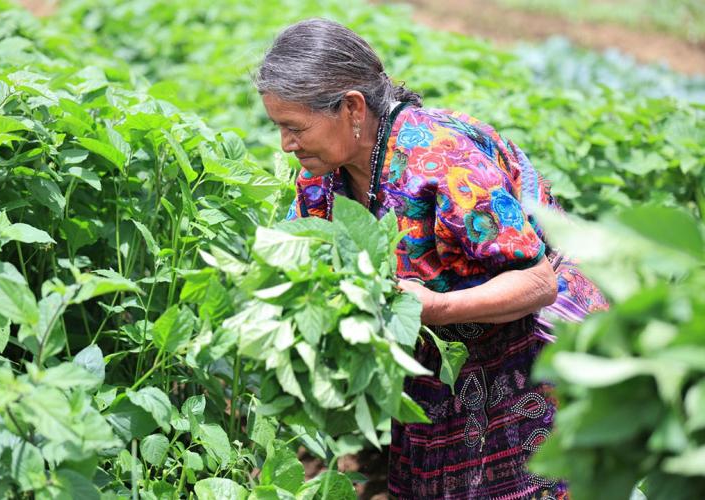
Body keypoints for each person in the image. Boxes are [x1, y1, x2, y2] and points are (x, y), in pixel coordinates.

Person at [256, 18, 608, 499]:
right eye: (279, 128)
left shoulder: (442, 162)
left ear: (352, 108)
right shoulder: (323, 177)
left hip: (530, 347)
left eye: (294, 128)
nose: (286, 144)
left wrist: (437, 308)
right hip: (443, 368)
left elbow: (536, 282)